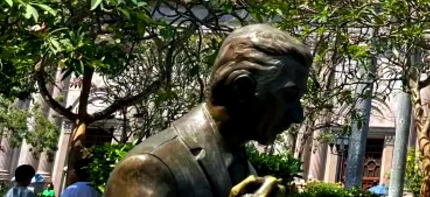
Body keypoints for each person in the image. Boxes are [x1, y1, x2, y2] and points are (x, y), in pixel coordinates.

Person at [104, 25, 312, 197]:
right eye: (289, 96)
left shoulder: (244, 168)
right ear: (241, 89)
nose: (297, 115)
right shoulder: (148, 168)